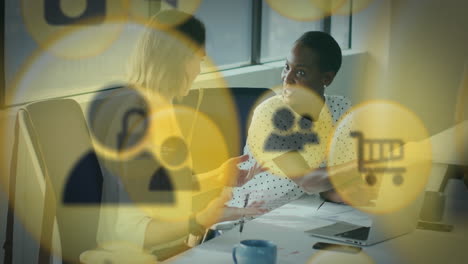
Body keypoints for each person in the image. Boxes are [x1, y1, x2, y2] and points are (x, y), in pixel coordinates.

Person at [94, 10, 266, 258]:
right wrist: (200, 219)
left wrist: (219, 176)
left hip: (171, 249)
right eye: (198, 59)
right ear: (177, 58)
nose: (198, 70)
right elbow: (126, 233)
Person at [228, 31, 354, 212]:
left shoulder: (341, 109)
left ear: (326, 78)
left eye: (301, 72)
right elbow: (307, 181)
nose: (287, 79)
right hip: (249, 215)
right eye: (287, 67)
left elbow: (330, 186)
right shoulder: (270, 114)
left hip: (303, 210)